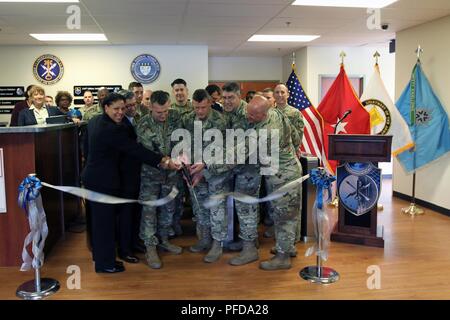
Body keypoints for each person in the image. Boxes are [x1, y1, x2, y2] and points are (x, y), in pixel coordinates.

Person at [82, 92, 179, 273]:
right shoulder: (112, 129)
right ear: (106, 108)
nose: (120, 112)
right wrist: (164, 161)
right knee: (104, 224)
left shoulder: (95, 121)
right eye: (116, 109)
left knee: (100, 223)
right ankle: (106, 265)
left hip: (94, 177)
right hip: (102, 182)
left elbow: (86, 147)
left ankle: (103, 258)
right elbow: (135, 150)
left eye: (122, 108)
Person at [136, 90, 183, 269]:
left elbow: (181, 141)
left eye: (166, 111)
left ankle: (164, 239)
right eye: (159, 112)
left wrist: (182, 156)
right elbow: (148, 152)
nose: (163, 115)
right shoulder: (143, 124)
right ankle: (150, 247)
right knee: (149, 211)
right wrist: (167, 161)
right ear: (150, 107)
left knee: (168, 207)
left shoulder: (175, 118)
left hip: (171, 175)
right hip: (151, 175)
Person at [180, 89, 228, 263]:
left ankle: (217, 243)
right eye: (196, 107)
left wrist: (205, 166)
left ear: (210, 103)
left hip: (215, 173)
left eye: (202, 107)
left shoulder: (220, 120)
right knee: (200, 207)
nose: (199, 111)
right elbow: (183, 143)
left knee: (216, 209)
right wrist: (185, 163)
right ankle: (205, 238)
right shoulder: (187, 119)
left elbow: (223, 150)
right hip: (194, 171)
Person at [115, 90, 144, 263]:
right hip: (124, 175)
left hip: (138, 174)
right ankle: (124, 249)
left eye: (134, 104)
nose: (132, 108)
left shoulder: (140, 118)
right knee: (125, 214)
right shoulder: (119, 123)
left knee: (136, 211)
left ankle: (134, 242)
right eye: (128, 106)